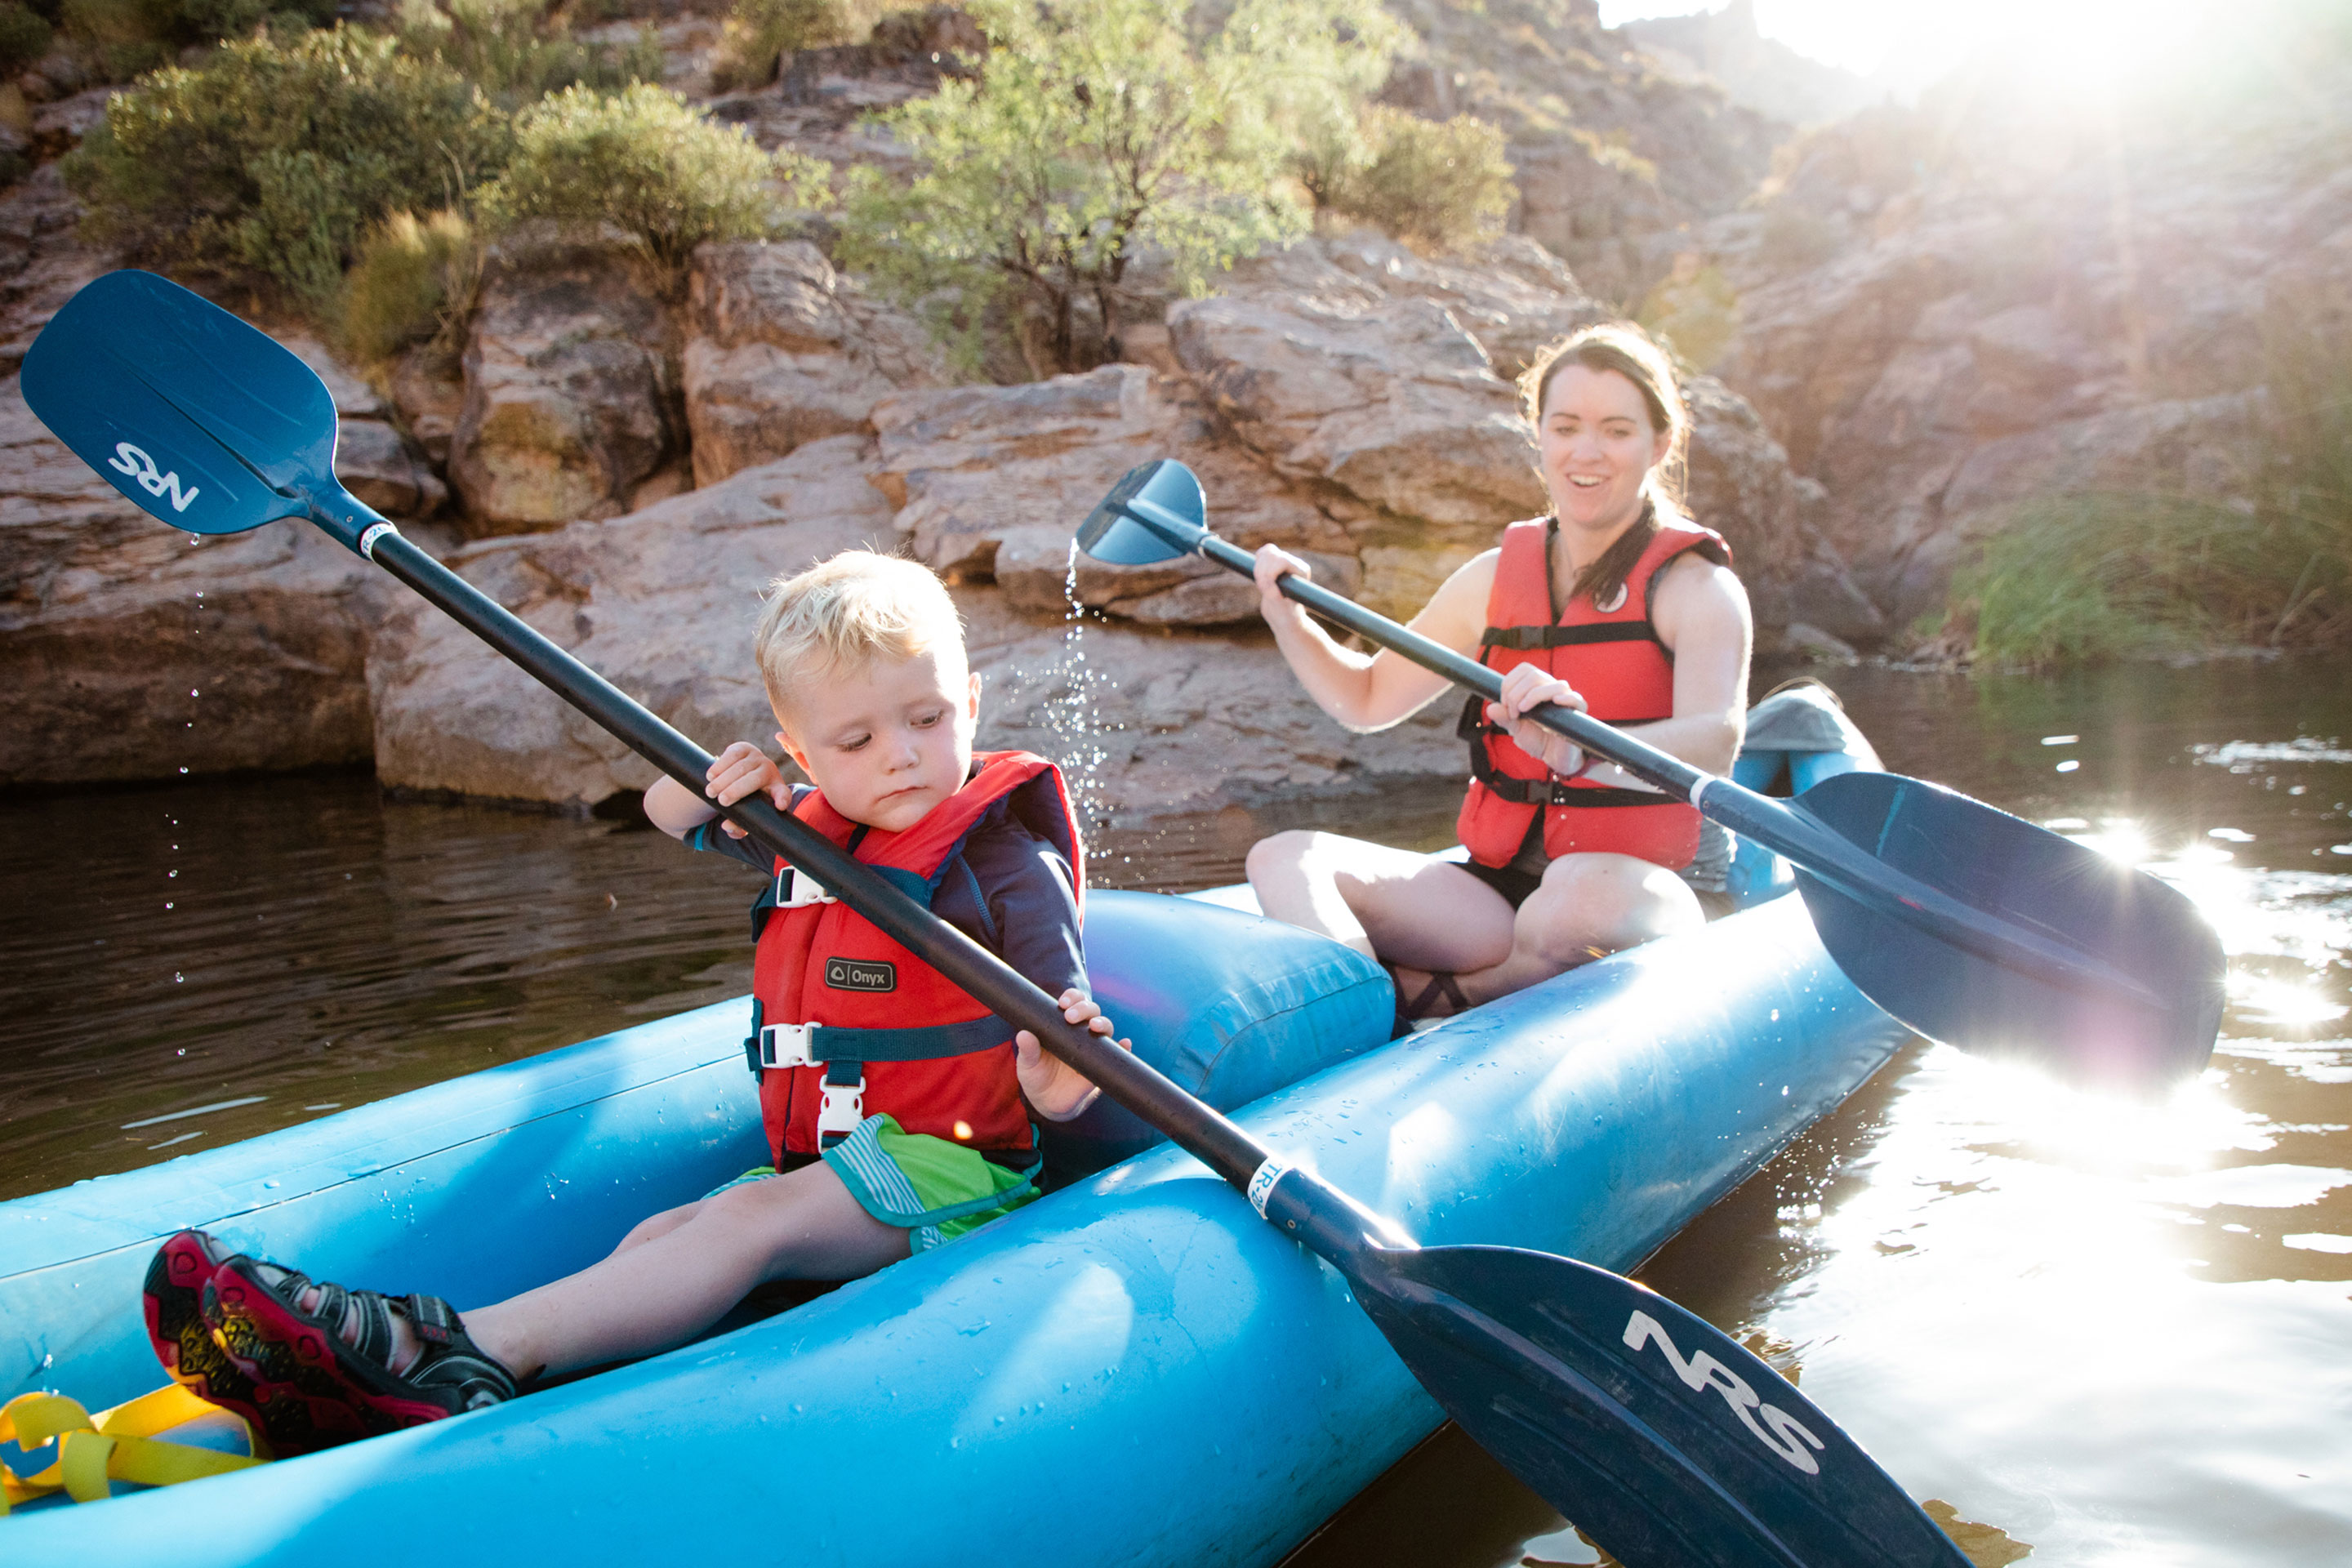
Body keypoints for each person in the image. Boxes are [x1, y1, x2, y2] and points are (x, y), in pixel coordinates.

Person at [143, 550, 1126, 1455]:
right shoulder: (818, 830)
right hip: (845, 1167)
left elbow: (1063, 1058)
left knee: (747, 1226)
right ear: (803, 752)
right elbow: (665, 813)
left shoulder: (1006, 858)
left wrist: (1056, 1074)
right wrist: (716, 785)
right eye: (857, 740)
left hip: (959, 1178)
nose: (902, 757)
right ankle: (512, 1380)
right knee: (664, 1237)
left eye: (928, 720)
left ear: (972, 701)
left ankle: (444, 1351)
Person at [1244, 323, 1752, 1025]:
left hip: (1642, 891)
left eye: (1616, 430)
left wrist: (1581, 749)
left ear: (1659, 445)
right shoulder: (1491, 580)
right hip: (1498, 893)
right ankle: (1359, 1026)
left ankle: (1433, 998)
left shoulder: (1696, 588)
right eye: (1566, 426)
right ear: (1537, 434)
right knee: (1283, 859)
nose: (1586, 452)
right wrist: (1285, 617)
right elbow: (1364, 698)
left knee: (1570, 898)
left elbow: (1716, 739)